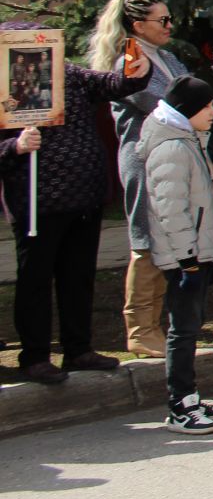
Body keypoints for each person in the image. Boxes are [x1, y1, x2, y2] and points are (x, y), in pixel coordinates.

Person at [0, 24, 151, 385]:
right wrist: (16, 147)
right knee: (35, 280)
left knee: (78, 276)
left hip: (83, 195)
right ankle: (35, 355)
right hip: (37, 201)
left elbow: (116, 85)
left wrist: (134, 71)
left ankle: (78, 348)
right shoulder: (5, 87)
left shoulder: (70, 75)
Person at [91, 0, 190, 358]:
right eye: (162, 21)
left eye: (169, 19)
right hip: (145, 159)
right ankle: (139, 329)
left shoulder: (166, 58)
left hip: (176, 158)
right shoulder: (129, 62)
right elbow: (160, 107)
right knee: (146, 240)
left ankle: (156, 325)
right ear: (138, 26)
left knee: (168, 241)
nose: (169, 26)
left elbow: (193, 96)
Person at [139, 75, 213, 435]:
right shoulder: (173, 149)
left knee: (189, 327)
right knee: (183, 330)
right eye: (207, 106)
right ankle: (180, 405)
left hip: (195, 254)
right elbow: (170, 211)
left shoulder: (189, 141)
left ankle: (189, 395)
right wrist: (188, 259)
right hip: (184, 258)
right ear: (187, 110)